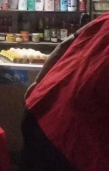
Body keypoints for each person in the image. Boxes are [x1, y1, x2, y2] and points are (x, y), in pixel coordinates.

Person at [22, 13, 108, 171]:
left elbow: (65, 44)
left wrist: (37, 83)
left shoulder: (106, 19)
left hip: (40, 109)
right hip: (76, 142)